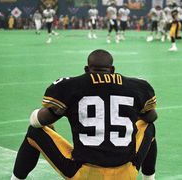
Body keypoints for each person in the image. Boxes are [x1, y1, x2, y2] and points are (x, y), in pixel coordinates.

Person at [11, 49, 158, 180]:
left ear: (87, 69)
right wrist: (131, 112)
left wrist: (37, 115)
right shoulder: (136, 86)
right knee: (149, 127)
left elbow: (39, 121)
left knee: (34, 132)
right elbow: (152, 117)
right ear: (112, 69)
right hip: (126, 173)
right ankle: (150, 178)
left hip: (84, 174)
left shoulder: (71, 86)